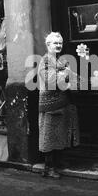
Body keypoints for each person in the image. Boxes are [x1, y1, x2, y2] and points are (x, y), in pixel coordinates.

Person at [38, 32, 80, 179]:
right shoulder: (46, 61)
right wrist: (66, 74)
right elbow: (51, 80)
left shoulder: (59, 61)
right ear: (48, 45)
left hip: (61, 103)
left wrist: (68, 75)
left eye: (60, 43)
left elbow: (73, 78)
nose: (58, 45)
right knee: (48, 137)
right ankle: (48, 168)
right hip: (50, 105)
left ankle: (56, 164)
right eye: (55, 43)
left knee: (58, 135)